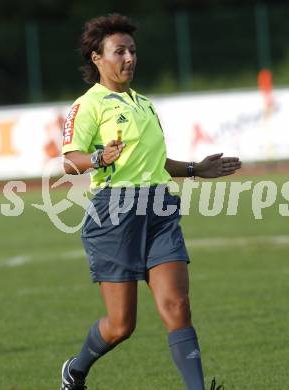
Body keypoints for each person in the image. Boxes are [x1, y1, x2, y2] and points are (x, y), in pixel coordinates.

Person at [60, 13, 241, 390]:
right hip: (115, 214)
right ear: (97, 58)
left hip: (159, 210)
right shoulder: (88, 105)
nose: (129, 58)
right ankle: (75, 370)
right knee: (121, 325)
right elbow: (69, 160)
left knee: (177, 307)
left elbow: (154, 162)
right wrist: (98, 158)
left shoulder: (143, 103)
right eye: (119, 51)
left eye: (132, 51)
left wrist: (195, 168)